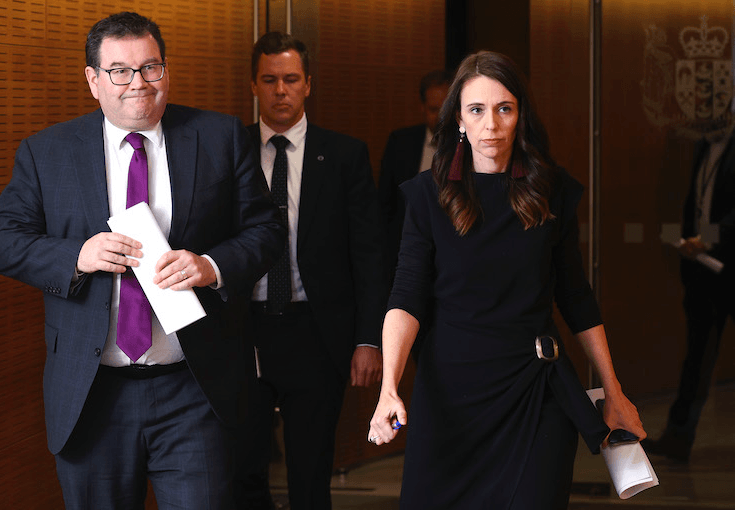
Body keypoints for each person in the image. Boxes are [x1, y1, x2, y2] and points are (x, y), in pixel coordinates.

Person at [0, 11, 285, 509]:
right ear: (93, 80)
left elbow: (266, 230)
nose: (138, 84)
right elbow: (3, 241)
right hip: (91, 393)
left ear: (166, 69)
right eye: (120, 71)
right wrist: (76, 255)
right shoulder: (47, 152)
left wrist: (211, 265)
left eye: (150, 68)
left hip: (193, 387)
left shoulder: (218, 136)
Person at [367, 50, 646, 509]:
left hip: (536, 391)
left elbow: (576, 297)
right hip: (452, 398)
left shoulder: (551, 190)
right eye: (476, 110)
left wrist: (613, 391)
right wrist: (389, 389)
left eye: (504, 109)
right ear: (459, 117)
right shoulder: (426, 196)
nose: (490, 125)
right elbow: (407, 297)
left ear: (521, 115)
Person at [234, 32, 386, 510]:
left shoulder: (343, 155)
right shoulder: (227, 148)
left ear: (308, 84)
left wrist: (368, 339)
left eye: (291, 79)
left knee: (310, 471)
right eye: (270, 79)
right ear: (253, 85)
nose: (281, 90)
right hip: (243, 331)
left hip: (315, 333)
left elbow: (369, 254)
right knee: (241, 469)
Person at [643, 126, 735, 463]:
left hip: (730, 266)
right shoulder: (702, 147)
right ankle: (678, 438)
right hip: (703, 271)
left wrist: (708, 238)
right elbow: (695, 205)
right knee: (696, 358)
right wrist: (689, 244)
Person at [378, 69, 453, 281]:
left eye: (445, 109)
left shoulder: (472, 146)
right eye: (433, 109)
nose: (440, 117)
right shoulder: (400, 143)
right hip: (407, 255)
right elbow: (385, 205)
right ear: (422, 107)